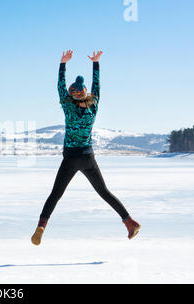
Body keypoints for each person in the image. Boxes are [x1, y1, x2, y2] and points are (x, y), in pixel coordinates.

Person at [31, 50, 140, 245]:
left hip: (70, 159)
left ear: (72, 94)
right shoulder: (93, 106)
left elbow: (60, 87)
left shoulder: (68, 107)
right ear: (85, 93)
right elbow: (97, 86)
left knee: (56, 194)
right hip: (88, 158)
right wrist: (96, 63)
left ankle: (41, 226)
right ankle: (129, 222)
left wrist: (62, 64)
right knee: (104, 191)